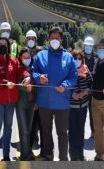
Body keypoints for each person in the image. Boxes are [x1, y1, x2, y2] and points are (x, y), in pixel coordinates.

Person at [32, 27, 78, 161]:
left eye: (57, 38)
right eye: (52, 38)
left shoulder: (68, 57)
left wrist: (66, 86)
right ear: (48, 39)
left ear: (61, 40)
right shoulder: (40, 55)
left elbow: (73, 76)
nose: (54, 40)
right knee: (45, 132)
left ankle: (63, 158)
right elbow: (34, 72)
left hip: (62, 103)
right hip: (44, 102)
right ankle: (48, 156)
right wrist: (38, 77)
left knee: (62, 133)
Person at [0, 37, 31, 161]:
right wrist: (6, 82)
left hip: (11, 100)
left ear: (8, 47)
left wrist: (27, 77)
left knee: (8, 126)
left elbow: (21, 70)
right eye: (0, 44)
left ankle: (6, 155)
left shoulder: (14, 60)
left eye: (4, 44)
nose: (2, 46)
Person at [69, 50, 93, 161]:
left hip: (83, 107)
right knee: (72, 132)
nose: (77, 61)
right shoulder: (68, 69)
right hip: (71, 107)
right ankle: (73, 156)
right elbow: (64, 85)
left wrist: (85, 91)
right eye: (75, 58)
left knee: (81, 131)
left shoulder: (86, 70)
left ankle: (80, 155)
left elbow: (91, 84)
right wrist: (72, 94)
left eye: (79, 58)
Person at [25, 30, 44, 156]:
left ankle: (43, 147)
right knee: (30, 121)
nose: (31, 40)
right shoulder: (23, 51)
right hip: (27, 89)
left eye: (33, 38)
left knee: (41, 121)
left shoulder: (42, 51)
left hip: (40, 89)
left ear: (36, 39)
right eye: (29, 38)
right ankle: (30, 144)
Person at [15, 48, 35, 161]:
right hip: (20, 103)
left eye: (28, 57)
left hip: (32, 103)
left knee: (29, 128)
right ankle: (24, 155)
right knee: (23, 129)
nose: (27, 59)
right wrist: (27, 87)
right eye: (24, 57)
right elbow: (17, 84)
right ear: (20, 58)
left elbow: (37, 85)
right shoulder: (18, 68)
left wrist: (35, 100)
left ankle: (27, 151)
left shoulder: (34, 68)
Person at [83, 36, 96, 138]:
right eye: (86, 45)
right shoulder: (80, 56)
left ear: (92, 46)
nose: (88, 47)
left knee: (92, 112)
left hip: (93, 89)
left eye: (90, 46)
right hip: (82, 87)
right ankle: (80, 130)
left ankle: (93, 131)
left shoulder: (96, 57)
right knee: (81, 111)